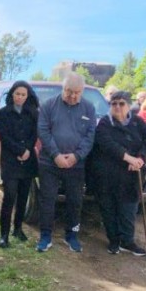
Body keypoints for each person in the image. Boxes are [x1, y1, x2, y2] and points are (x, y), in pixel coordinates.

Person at [35, 73, 95, 252]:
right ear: (63, 88)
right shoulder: (49, 105)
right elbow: (43, 131)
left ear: (82, 91)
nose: (72, 96)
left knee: (75, 201)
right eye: (69, 91)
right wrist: (56, 155)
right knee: (47, 200)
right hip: (49, 163)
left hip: (76, 165)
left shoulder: (88, 108)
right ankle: (45, 236)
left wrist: (76, 156)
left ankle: (72, 235)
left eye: (77, 92)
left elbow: (90, 135)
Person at [92, 91, 146, 254]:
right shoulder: (104, 123)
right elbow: (108, 144)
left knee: (129, 208)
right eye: (114, 103)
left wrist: (139, 158)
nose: (117, 106)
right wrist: (128, 158)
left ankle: (127, 241)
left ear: (129, 105)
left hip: (131, 174)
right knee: (109, 208)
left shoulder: (138, 122)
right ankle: (114, 241)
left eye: (121, 103)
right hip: (107, 174)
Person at [0, 81, 39, 248]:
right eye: (17, 94)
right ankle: (4, 234)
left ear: (27, 96)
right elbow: (4, 137)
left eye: (23, 94)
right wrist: (19, 151)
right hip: (10, 161)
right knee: (9, 197)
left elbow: (34, 134)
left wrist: (27, 150)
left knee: (23, 197)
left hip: (28, 161)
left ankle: (18, 228)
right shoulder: (4, 113)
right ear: (12, 94)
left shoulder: (32, 113)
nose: (20, 97)